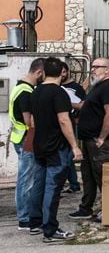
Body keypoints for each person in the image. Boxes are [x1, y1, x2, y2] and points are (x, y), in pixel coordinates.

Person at [29, 57, 82, 243]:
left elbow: (33, 121)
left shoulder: (36, 92)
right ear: (62, 73)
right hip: (56, 147)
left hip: (40, 145)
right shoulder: (59, 93)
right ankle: (50, 230)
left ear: (43, 72)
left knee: (39, 184)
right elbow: (64, 120)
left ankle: (35, 222)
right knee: (52, 188)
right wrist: (75, 146)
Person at [69, 58, 109, 222]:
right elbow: (86, 106)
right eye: (92, 67)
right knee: (88, 175)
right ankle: (86, 208)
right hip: (88, 140)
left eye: (96, 67)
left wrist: (101, 138)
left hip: (98, 141)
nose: (92, 70)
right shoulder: (97, 87)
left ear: (107, 70)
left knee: (102, 176)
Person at [8, 58, 44, 231]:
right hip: (26, 139)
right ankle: (24, 217)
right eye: (44, 75)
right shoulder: (27, 93)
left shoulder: (19, 86)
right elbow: (29, 121)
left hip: (20, 137)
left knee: (26, 178)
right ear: (39, 73)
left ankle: (26, 215)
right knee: (26, 180)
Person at [60, 62, 86, 194]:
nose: (62, 75)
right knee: (66, 155)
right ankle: (72, 183)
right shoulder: (56, 86)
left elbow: (83, 106)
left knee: (69, 154)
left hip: (72, 122)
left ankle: (73, 183)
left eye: (64, 72)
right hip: (60, 124)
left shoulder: (77, 88)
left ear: (67, 71)